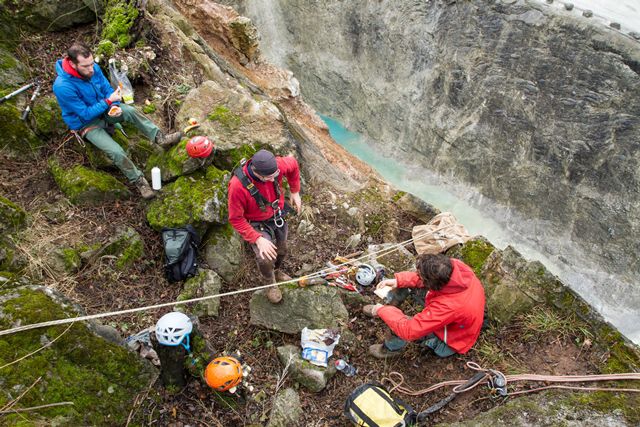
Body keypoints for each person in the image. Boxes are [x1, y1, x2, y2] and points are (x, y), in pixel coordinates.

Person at [52, 42, 183, 199]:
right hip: (87, 124)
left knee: (130, 111)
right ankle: (139, 180)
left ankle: (159, 138)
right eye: (86, 66)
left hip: (105, 110)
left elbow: (108, 90)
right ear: (73, 64)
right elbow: (85, 114)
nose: (91, 70)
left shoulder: (94, 69)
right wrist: (108, 102)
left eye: (92, 64)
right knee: (116, 151)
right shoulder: (62, 86)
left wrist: (114, 105)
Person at [363, 254, 485, 358]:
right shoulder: (454, 268)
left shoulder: (450, 306)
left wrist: (382, 311)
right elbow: (427, 276)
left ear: (433, 283)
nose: (418, 276)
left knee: (399, 327)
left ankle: (390, 349)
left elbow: (409, 330)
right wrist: (399, 281)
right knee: (403, 286)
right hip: (456, 316)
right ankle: (389, 307)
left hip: (451, 339)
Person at [227, 149, 302, 304]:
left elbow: (293, 164)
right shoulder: (237, 186)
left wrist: (295, 192)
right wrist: (257, 239)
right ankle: (270, 282)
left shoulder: (276, 166)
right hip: (256, 222)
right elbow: (236, 219)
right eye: (270, 177)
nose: (275, 178)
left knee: (282, 249)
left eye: (276, 174)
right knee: (265, 257)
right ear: (258, 173)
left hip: (276, 214)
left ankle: (277, 270)